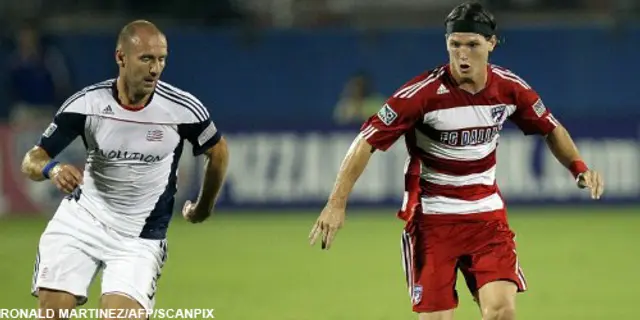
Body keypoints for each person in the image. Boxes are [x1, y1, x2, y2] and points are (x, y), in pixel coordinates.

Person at [308, 2, 604, 320]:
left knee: (502, 312)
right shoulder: (421, 95)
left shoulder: (509, 88)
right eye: (455, 45)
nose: (463, 54)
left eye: (473, 45)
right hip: (432, 223)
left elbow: (550, 127)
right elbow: (365, 140)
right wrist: (336, 203)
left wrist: (579, 167)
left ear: (492, 43)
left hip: (487, 221)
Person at [21, 20, 229, 319]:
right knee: (52, 313)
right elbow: (32, 159)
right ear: (121, 57)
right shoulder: (87, 104)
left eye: (161, 59)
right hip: (81, 223)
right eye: (146, 59)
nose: (155, 69)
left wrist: (204, 206)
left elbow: (218, 151)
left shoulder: (182, 109)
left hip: (139, 237)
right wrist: (52, 169)